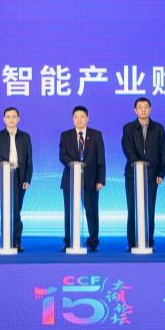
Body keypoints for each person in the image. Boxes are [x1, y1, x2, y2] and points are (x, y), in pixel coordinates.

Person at [121, 97, 165, 250]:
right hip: (132, 175)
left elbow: (163, 151)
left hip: (152, 175)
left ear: (150, 109)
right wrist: (138, 164)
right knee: (133, 208)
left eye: (146, 107)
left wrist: (162, 172)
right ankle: (132, 242)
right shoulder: (128, 128)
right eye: (139, 107)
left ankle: (148, 241)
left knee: (149, 209)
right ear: (135, 110)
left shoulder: (158, 128)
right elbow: (127, 148)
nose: (143, 110)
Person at [59, 105, 106, 252]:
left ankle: (93, 242)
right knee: (69, 212)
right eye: (76, 117)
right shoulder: (65, 135)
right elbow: (62, 155)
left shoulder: (96, 135)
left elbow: (101, 159)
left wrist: (100, 180)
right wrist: (75, 164)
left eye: (82, 117)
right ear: (73, 119)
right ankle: (69, 242)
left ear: (87, 118)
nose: (79, 120)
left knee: (92, 212)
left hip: (91, 180)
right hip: (70, 180)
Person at [0, 107, 32, 251]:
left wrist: (27, 178)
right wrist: (5, 163)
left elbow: (29, 160)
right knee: (3, 209)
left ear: (18, 119)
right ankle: (5, 239)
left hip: (19, 177)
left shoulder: (25, 137)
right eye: (8, 116)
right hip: (1, 177)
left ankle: (16, 241)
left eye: (14, 116)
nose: (11, 119)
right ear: (4, 119)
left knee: (16, 209)